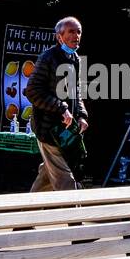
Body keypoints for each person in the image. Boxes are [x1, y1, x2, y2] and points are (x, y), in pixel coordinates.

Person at [24, 17, 89, 192]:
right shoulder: (48, 57)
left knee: (47, 175)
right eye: (71, 31)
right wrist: (62, 108)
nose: (76, 35)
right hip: (48, 129)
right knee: (65, 178)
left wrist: (82, 115)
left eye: (78, 31)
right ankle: (75, 218)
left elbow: (76, 92)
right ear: (59, 37)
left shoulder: (75, 59)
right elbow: (32, 91)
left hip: (66, 131)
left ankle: (27, 210)